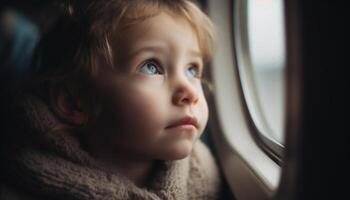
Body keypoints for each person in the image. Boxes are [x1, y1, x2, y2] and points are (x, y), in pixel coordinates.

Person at [0, 0, 225, 199]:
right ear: (75, 102)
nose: (189, 91)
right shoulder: (26, 186)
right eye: (151, 66)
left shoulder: (203, 173)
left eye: (192, 70)